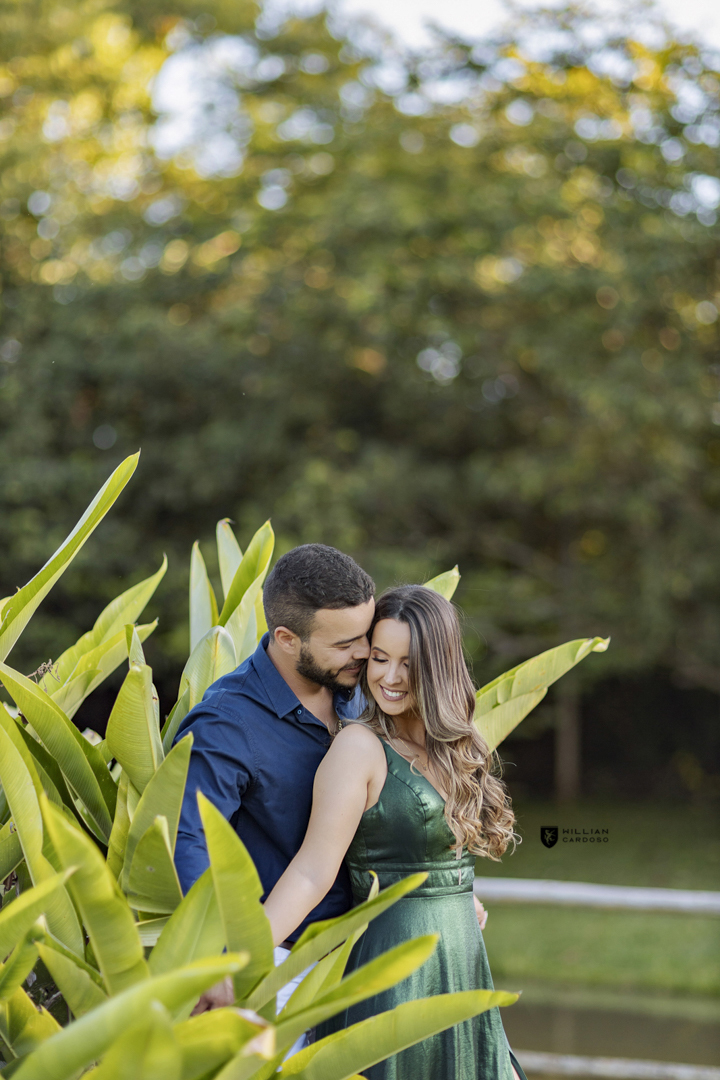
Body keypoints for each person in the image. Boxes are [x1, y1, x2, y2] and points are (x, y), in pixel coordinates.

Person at [263, 585, 527, 1080]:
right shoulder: (359, 749)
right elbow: (312, 871)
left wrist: (456, 893)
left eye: (408, 662)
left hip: (460, 960)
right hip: (392, 967)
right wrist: (238, 962)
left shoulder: (453, 746)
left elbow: (435, 848)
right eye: (379, 658)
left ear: (439, 666)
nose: (389, 676)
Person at [173, 543, 375, 1021]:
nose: (364, 653)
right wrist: (213, 952)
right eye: (345, 644)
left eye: (365, 635)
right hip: (280, 968)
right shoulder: (227, 722)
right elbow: (187, 839)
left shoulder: (361, 691)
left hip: (370, 954)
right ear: (287, 638)